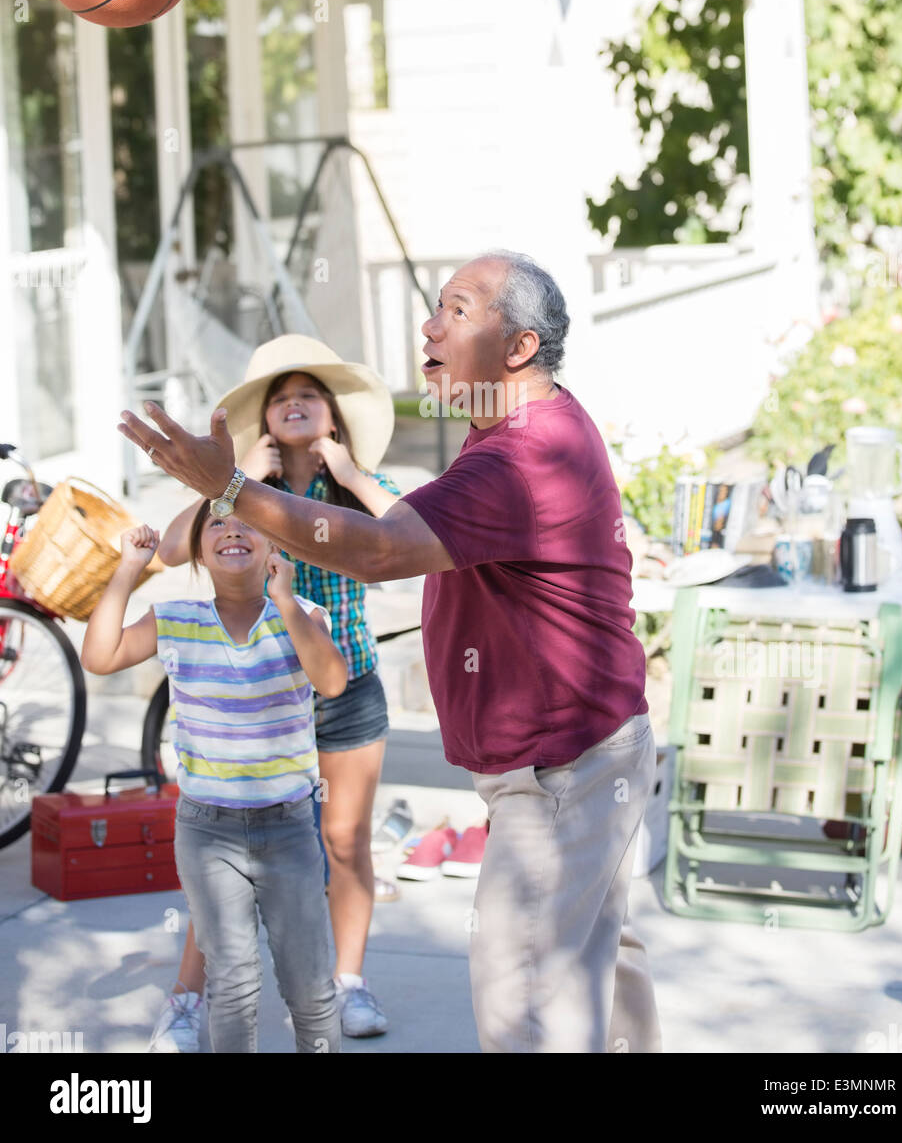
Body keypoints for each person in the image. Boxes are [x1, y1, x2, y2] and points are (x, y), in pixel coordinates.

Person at [118, 249, 663, 1054]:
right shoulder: (516, 430)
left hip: (562, 773)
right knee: (597, 979)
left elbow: (374, 549)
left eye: (459, 309)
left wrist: (229, 490)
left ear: (517, 348)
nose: (429, 324)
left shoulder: (523, 453)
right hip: (591, 757)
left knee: (530, 1012)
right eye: (435, 306)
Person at [149, 336, 401, 1048]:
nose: (294, 401)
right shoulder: (239, 491)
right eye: (281, 394)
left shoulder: (358, 481)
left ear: (332, 415)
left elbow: (411, 533)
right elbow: (171, 550)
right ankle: (189, 997)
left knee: (344, 839)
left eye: (310, 393)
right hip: (253, 692)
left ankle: (346, 984)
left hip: (340, 681)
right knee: (228, 841)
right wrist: (229, 481)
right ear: (264, 417)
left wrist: (350, 471)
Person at [81, 507, 347, 1054]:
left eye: (248, 522)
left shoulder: (303, 616)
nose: (232, 530)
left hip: (291, 829)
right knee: (232, 984)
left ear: (275, 547)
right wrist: (129, 569)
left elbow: (333, 680)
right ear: (200, 553)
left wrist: (286, 602)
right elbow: (100, 656)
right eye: (217, 524)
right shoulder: (175, 618)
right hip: (207, 831)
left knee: (311, 987)